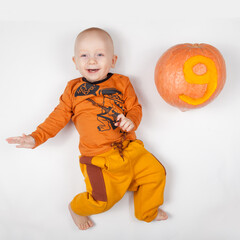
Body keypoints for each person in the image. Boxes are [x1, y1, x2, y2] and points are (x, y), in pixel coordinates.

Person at [6, 27, 168, 230]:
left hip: (130, 148)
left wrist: (131, 120)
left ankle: (147, 211)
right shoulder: (73, 90)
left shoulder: (122, 82)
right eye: (84, 55)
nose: (92, 60)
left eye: (100, 54)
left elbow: (135, 107)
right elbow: (57, 118)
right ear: (75, 62)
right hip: (98, 160)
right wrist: (35, 138)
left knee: (156, 172)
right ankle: (76, 208)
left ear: (113, 60)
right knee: (102, 201)